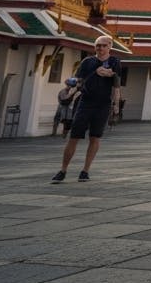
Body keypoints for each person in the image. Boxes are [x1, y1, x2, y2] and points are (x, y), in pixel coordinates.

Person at [52, 36, 121, 183]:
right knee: (74, 136)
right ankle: (63, 170)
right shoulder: (87, 62)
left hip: (103, 104)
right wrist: (71, 90)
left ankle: (85, 171)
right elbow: (78, 80)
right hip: (85, 101)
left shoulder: (115, 62)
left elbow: (116, 85)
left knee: (95, 137)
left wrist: (116, 105)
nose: (100, 48)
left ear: (110, 46)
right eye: (98, 45)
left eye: (103, 45)